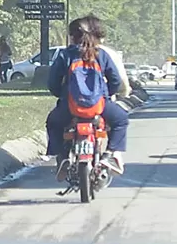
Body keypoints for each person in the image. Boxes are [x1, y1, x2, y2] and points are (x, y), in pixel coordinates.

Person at [46, 15, 128, 179]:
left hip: (70, 107)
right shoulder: (101, 55)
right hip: (99, 105)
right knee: (121, 120)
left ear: (72, 37)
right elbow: (115, 80)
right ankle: (110, 154)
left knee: (53, 123)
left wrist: (62, 96)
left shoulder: (65, 55)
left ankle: (62, 157)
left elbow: (52, 82)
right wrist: (106, 95)